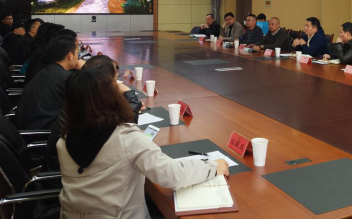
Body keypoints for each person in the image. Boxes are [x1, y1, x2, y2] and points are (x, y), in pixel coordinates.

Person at [57, 68, 230, 219]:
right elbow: (171, 174)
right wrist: (212, 166)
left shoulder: (63, 142)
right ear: (110, 98)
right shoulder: (126, 138)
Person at [43, 55, 144, 175]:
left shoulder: (79, 100)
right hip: (63, 174)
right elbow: (126, 125)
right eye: (115, 77)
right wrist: (131, 98)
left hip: (64, 169)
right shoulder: (94, 114)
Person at [15, 36, 79, 130]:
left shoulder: (47, 70)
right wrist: (86, 67)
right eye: (77, 53)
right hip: (44, 130)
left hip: (28, 125)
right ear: (70, 55)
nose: (78, 57)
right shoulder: (66, 77)